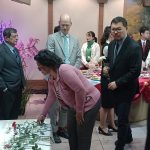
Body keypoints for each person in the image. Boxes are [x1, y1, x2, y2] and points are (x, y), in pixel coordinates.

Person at [35, 50, 100, 150]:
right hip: (74, 105)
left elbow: (80, 90)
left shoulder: (64, 70)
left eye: (40, 65)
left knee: (83, 136)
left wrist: (79, 111)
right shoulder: (51, 77)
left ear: (47, 63)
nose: (38, 68)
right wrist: (43, 114)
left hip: (89, 102)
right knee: (72, 135)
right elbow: (51, 96)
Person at [106, 17, 142, 150]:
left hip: (127, 88)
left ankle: (120, 144)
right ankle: (129, 136)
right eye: (113, 29)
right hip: (114, 86)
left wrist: (118, 83)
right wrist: (107, 66)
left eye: (118, 29)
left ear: (126, 28)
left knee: (121, 119)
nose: (115, 32)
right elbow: (110, 61)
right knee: (122, 115)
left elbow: (135, 71)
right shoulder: (111, 44)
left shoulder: (134, 47)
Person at [46, 13, 81, 143]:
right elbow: (49, 57)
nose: (65, 27)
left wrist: (71, 72)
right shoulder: (52, 38)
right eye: (62, 25)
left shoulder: (76, 40)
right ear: (59, 24)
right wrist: (59, 72)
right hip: (55, 77)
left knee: (66, 105)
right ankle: (54, 131)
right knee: (54, 106)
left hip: (70, 78)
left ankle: (62, 128)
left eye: (67, 25)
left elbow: (78, 58)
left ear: (71, 24)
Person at [0, 28, 25, 120]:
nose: (17, 38)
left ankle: (13, 132)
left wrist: (23, 83)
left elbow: (18, 68)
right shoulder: (1, 51)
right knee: (5, 115)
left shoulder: (15, 50)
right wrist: (4, 88)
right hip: (7, 90)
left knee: (14, 114)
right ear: (6, 38)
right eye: (14, 36)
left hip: (18, 88)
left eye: (17, 36)